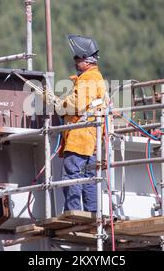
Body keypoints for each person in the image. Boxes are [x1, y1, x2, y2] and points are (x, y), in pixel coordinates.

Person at [59, 34, 107, 212]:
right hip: (92, 139)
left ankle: (73, 211)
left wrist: (60, 105)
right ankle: (92, 212)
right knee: (89, 177)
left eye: (77, 58)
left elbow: (76, 104)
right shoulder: (96, 78)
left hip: (80, 136)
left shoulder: (88, 78)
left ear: (86, 61)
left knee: (73, 173)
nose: (74, 61)